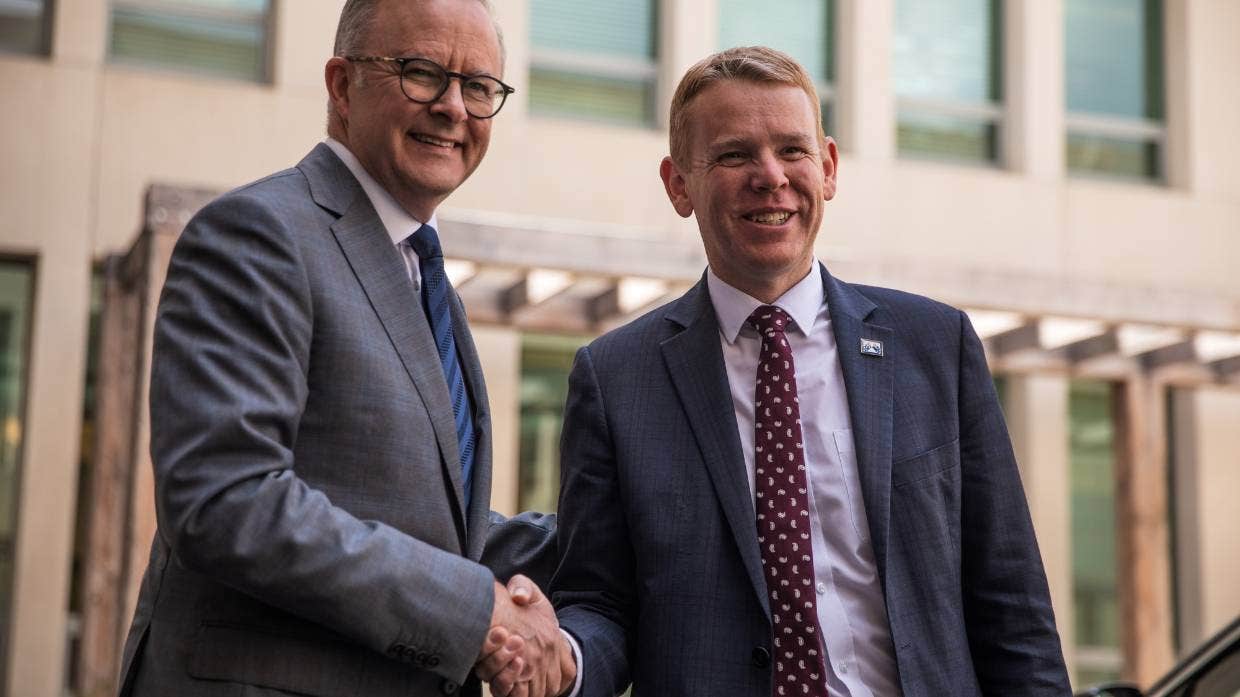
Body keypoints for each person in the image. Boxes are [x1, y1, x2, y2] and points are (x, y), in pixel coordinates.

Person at [551, 46, 1072, 697]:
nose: (770, 176)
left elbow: (1014, 608)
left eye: (792, 150)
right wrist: (564, 658)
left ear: (827, 167)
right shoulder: (614, 379)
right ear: (679, 182)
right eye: (735, 155)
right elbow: (599, 601)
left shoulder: (938, 348)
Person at [116, 1, 574, 696]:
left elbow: (432, 526)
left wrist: (628, 531)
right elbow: (226, 497)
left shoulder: (422, 275)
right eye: (422, 73)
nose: (454, 107)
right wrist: (470, 608)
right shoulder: (258, 233)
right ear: (340, 85)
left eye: (479, 87)